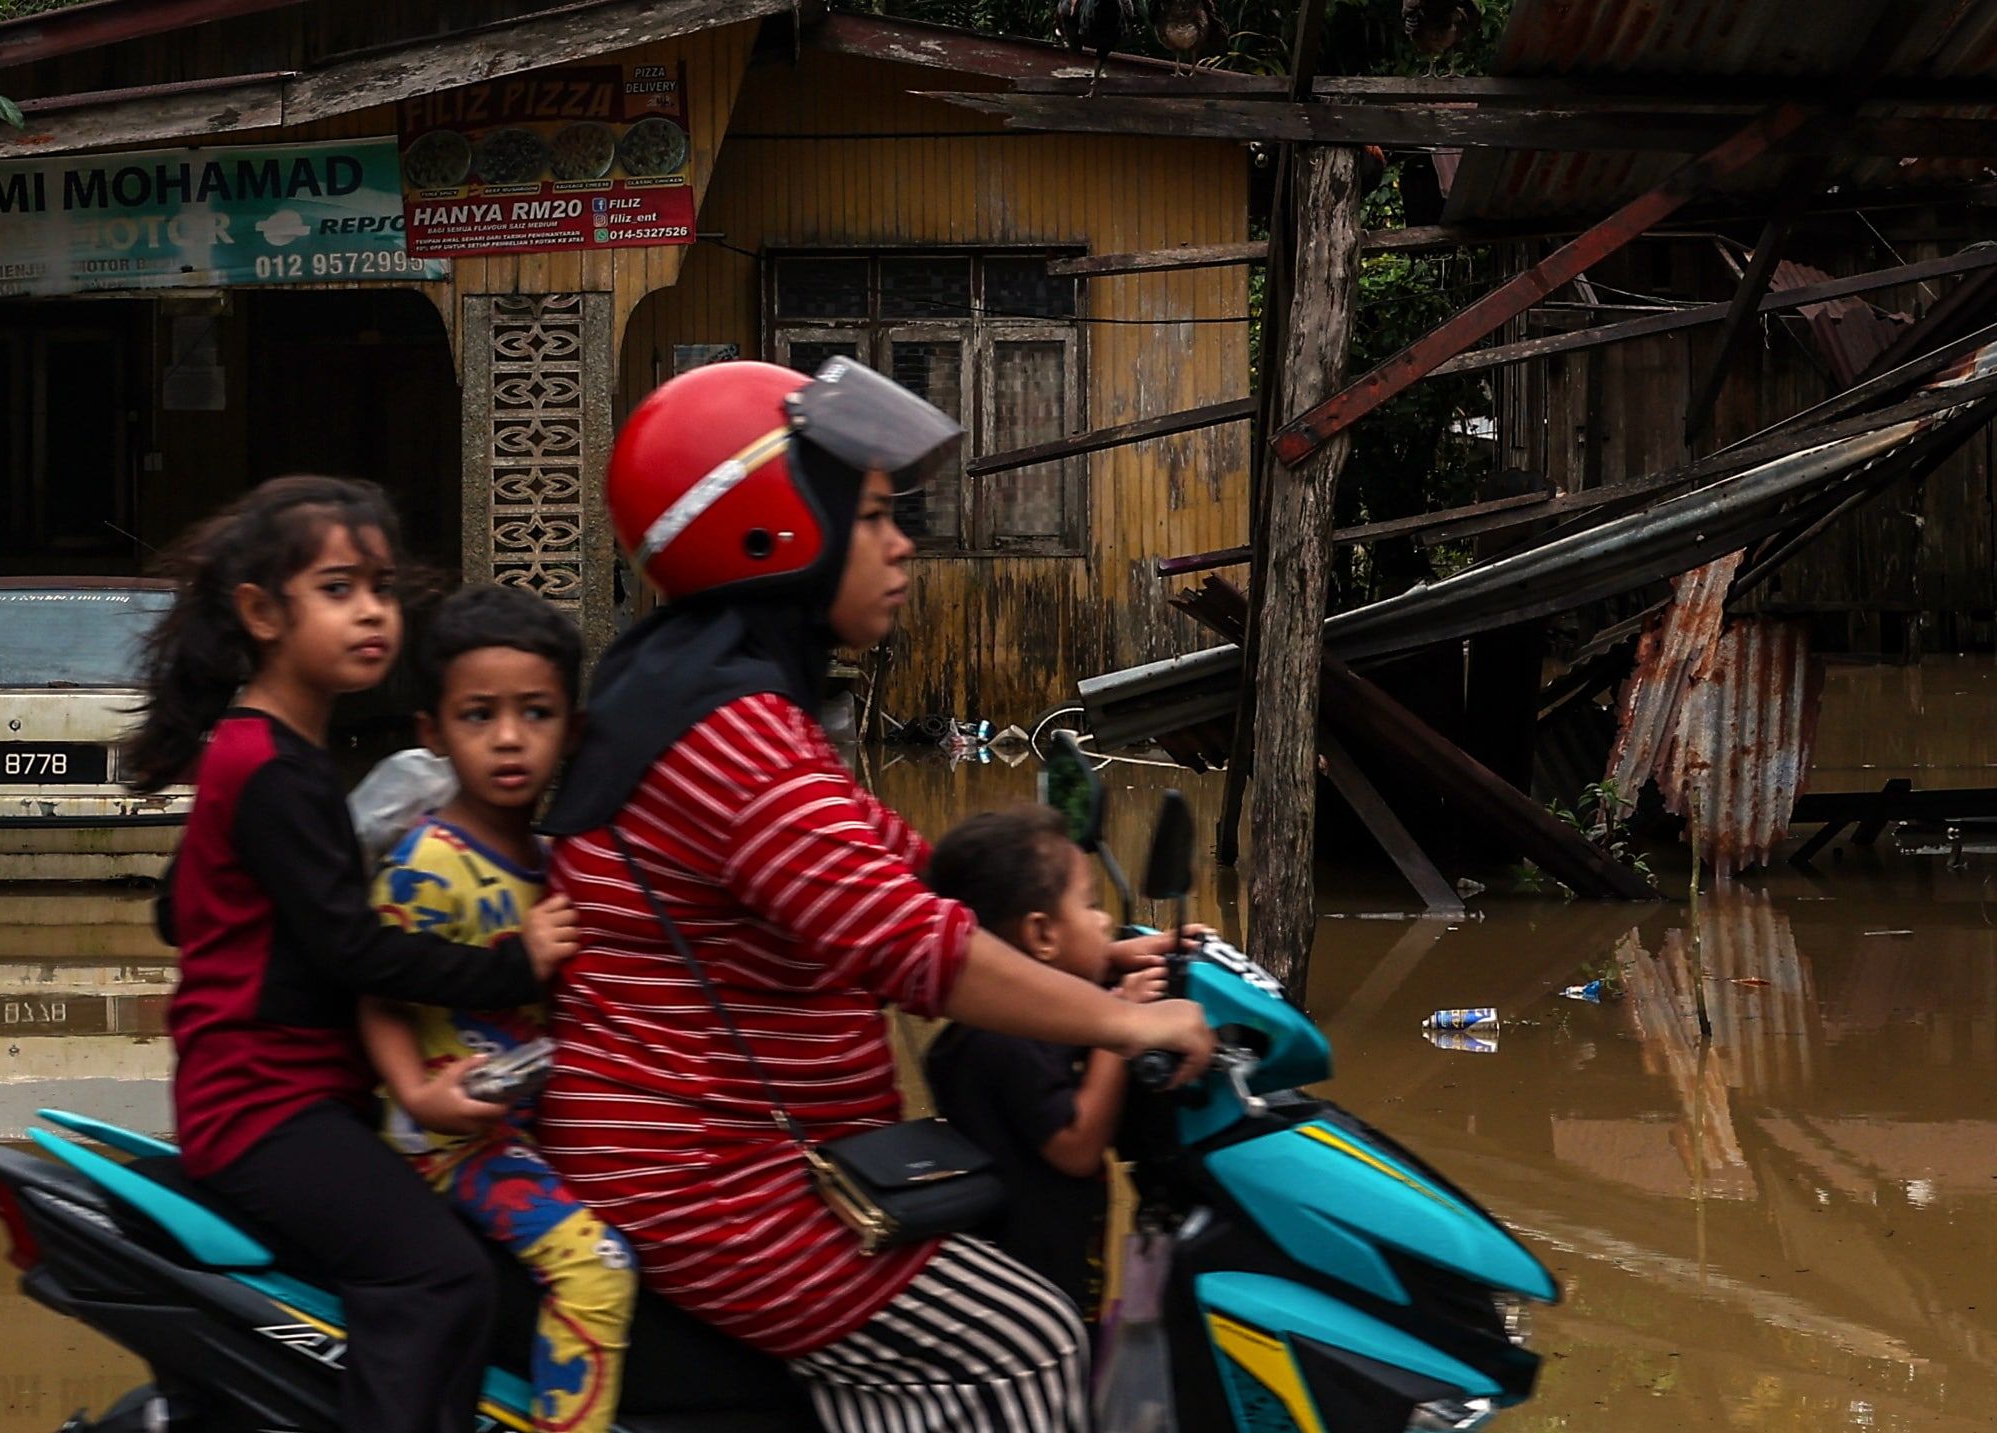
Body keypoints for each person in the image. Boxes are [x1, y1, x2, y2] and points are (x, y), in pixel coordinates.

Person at [536, 361, 1214, 1433]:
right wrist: (1122, 1020)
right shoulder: (730, 732)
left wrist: (1102, 951)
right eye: (870, 517)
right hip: (703, 1178)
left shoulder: (726, 698)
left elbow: (909, 876)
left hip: (750, 1157)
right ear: (772, 532)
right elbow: (912, 943)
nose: (901, 545)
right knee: (1026, 1341)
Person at [125, 474, 579, 1433]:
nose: (372, 611)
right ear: (261, 613)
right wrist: (515, 963)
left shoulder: (265, 755)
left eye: (381, 587)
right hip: (265, 1106)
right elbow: (355, 950)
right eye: (338, 588)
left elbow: (178, 909)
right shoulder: (269, 768)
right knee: (436, 1278)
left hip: (280, 1096)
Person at [361, 582, 634, 1433]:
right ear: (434, 732)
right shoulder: (429, 864)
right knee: (599, 1269)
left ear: (572, 730)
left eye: (535, 713)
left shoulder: (557, 859)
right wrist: (418, 1094)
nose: (509, 738)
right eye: (478, 715)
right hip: (451, 1145)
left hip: (521, 1126)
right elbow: (377, 989)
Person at [920, 805, 1165, 1314]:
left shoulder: (1003, 1016)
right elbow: (1076, 1146)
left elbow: (1062, 985)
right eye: (1090, 905)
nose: (1105, 921)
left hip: (1052, 1264)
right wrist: (1120, 1024)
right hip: (1029, 1287)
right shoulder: (1004, 1040)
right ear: (1042, 935)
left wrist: (1120, 958)